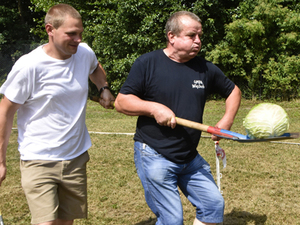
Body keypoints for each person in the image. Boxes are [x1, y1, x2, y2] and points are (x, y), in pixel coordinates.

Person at [115, 11, 241, 225]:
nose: (198, 41)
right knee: (171, 220)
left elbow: (233, 91)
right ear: (171, 36)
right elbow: (121, 102)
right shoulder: (148, 63)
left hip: (190, 157)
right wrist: (153, 108)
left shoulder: (204, 68)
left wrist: (226, 120)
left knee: (213, 206)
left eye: (200, 36)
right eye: (192, 35)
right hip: (155, 154)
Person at [0, 3, 114, 225]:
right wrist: (1, 161)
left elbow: (95, 67)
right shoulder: (29, 66)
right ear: (50, 30)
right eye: (71, 34)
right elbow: (5, 111)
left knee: (65, 222)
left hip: (75, 156)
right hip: (39, 159)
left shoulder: (84, 53)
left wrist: (104, 88)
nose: (78, 39)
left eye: (80, 33)